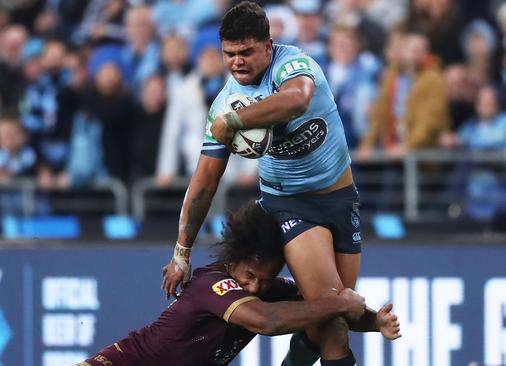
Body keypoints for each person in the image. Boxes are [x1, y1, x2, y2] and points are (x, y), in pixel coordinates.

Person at [161, 2, 366, 365]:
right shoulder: (223, 103)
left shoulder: (293, 65)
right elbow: (205, 180)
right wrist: (181, 251)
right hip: (289, 206)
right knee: (333, 316)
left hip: (341, 197)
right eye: (229, 54)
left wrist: (236, 121)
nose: (236, 61)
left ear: (268, 47)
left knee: (327, 323)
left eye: (246, 52)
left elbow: (298, 99)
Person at [80, 202, 400, 366]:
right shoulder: (212, 283)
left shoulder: (268, 289)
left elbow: (319, 309)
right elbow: (267, 321)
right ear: (232, 262)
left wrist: (374, 322)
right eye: (249, 276)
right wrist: (343, 301)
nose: (256, 288)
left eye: (265, 279)